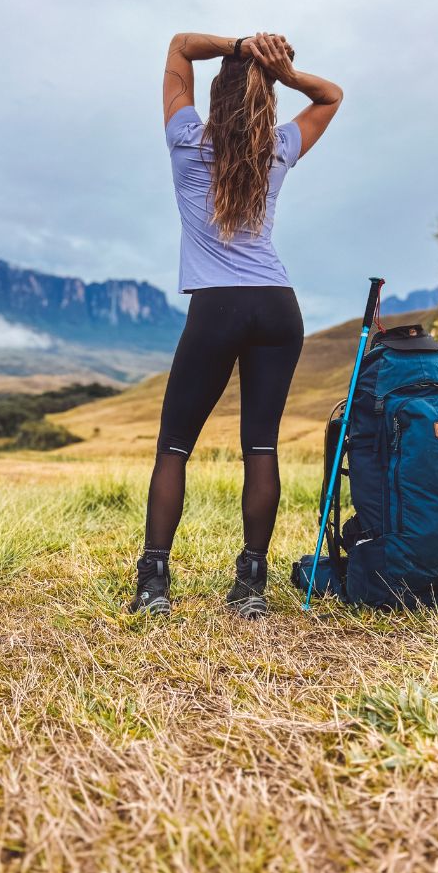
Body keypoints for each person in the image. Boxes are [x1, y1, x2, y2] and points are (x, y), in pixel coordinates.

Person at [128, 31, 343, 618]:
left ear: (216, 97)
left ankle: (154, 584)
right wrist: (284, 73)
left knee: (174, 448)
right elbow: (331, 96)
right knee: (261, 447)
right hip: (278, 306)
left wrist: (240, 45)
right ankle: (251, 588)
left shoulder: (186, 141)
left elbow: (175, 46)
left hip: (218, 305)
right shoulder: (277, 146)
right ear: (267, 99)